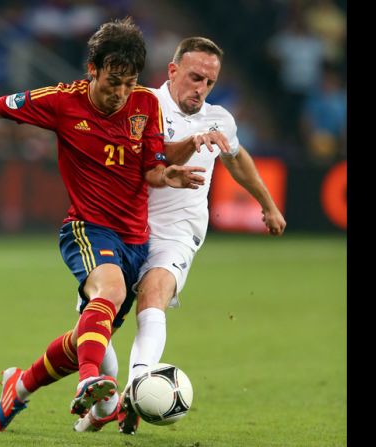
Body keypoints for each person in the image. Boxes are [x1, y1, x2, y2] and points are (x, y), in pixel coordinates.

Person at [0, 17, 207, 432]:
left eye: (129, 82)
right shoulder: (61, 101)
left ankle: (18, 387)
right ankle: (92, 382)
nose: (120, 93)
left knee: (85, 339)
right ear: (93, 70)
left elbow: (151, 169)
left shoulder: (146, 105)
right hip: (87, 228)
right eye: (112, 82)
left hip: (135, 240)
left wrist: (170, 175)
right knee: (112, 293)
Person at [72, 36, 287, 434]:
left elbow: (237, 158)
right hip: (122, 226)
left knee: (155, 292)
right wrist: (187, 145)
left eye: (209, 81)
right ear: (172, 71)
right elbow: (149, 155)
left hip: (178, 232)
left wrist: (268, 204)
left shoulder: (220, 119)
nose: (201, 88)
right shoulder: (139, 104)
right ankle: (106, 404)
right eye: (194, 77)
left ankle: (140, 385)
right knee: (97, 322)